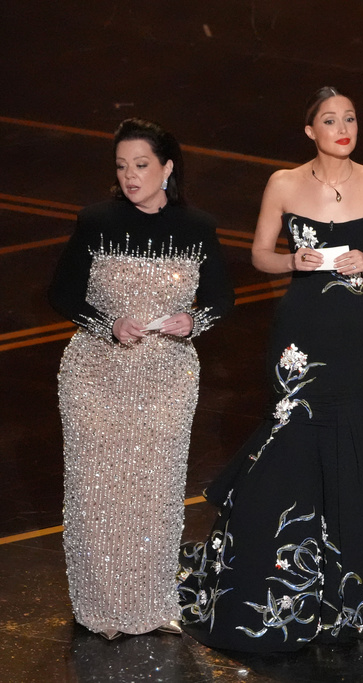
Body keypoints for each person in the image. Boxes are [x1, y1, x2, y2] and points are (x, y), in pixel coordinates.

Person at [178, 87, 363, 651]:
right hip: (301, 329)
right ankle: (283, 580)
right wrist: (292, 260)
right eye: (330, 120)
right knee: (294, 434)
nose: (343, 127)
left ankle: (354, 593)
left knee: (353, 431)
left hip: (354, 330)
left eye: (350, 118)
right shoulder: (283, 183)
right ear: (310, 131)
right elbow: (259, 254)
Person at [50, 118, 234, 640]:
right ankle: (101, 610)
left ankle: (153, 607)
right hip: (95, 374)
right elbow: (62, 294)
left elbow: (223, 301)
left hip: (167, 378)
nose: (130, 176)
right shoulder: (95, 220)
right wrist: (108, 325)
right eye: (122, 166)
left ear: (167, 168)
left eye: (142, 165)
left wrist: (193, 322)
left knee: (155, 492)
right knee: (98, 494)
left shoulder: (198, 226)